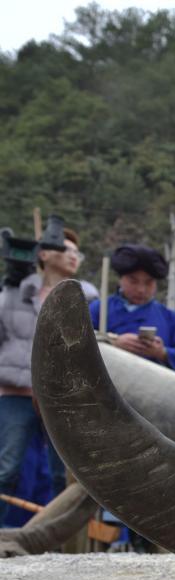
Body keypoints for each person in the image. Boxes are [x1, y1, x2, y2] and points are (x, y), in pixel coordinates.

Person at [1, 219, 96, 523]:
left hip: (60, 396)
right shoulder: (15, 292)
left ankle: (56, 543)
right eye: (65, 249)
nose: (72, 256)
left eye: (77, 253)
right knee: (7, 467)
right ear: (43, 254)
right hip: (17, 389)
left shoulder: (86, 299)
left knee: (63, 473)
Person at [89, 244, 175, 374]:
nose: (141, 289)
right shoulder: (98, 308)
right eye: (133, 281)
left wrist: (162, 352)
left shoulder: (169, 317)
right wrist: (113, 342)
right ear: (121, 280)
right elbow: (77, 343)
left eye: (148, 283)